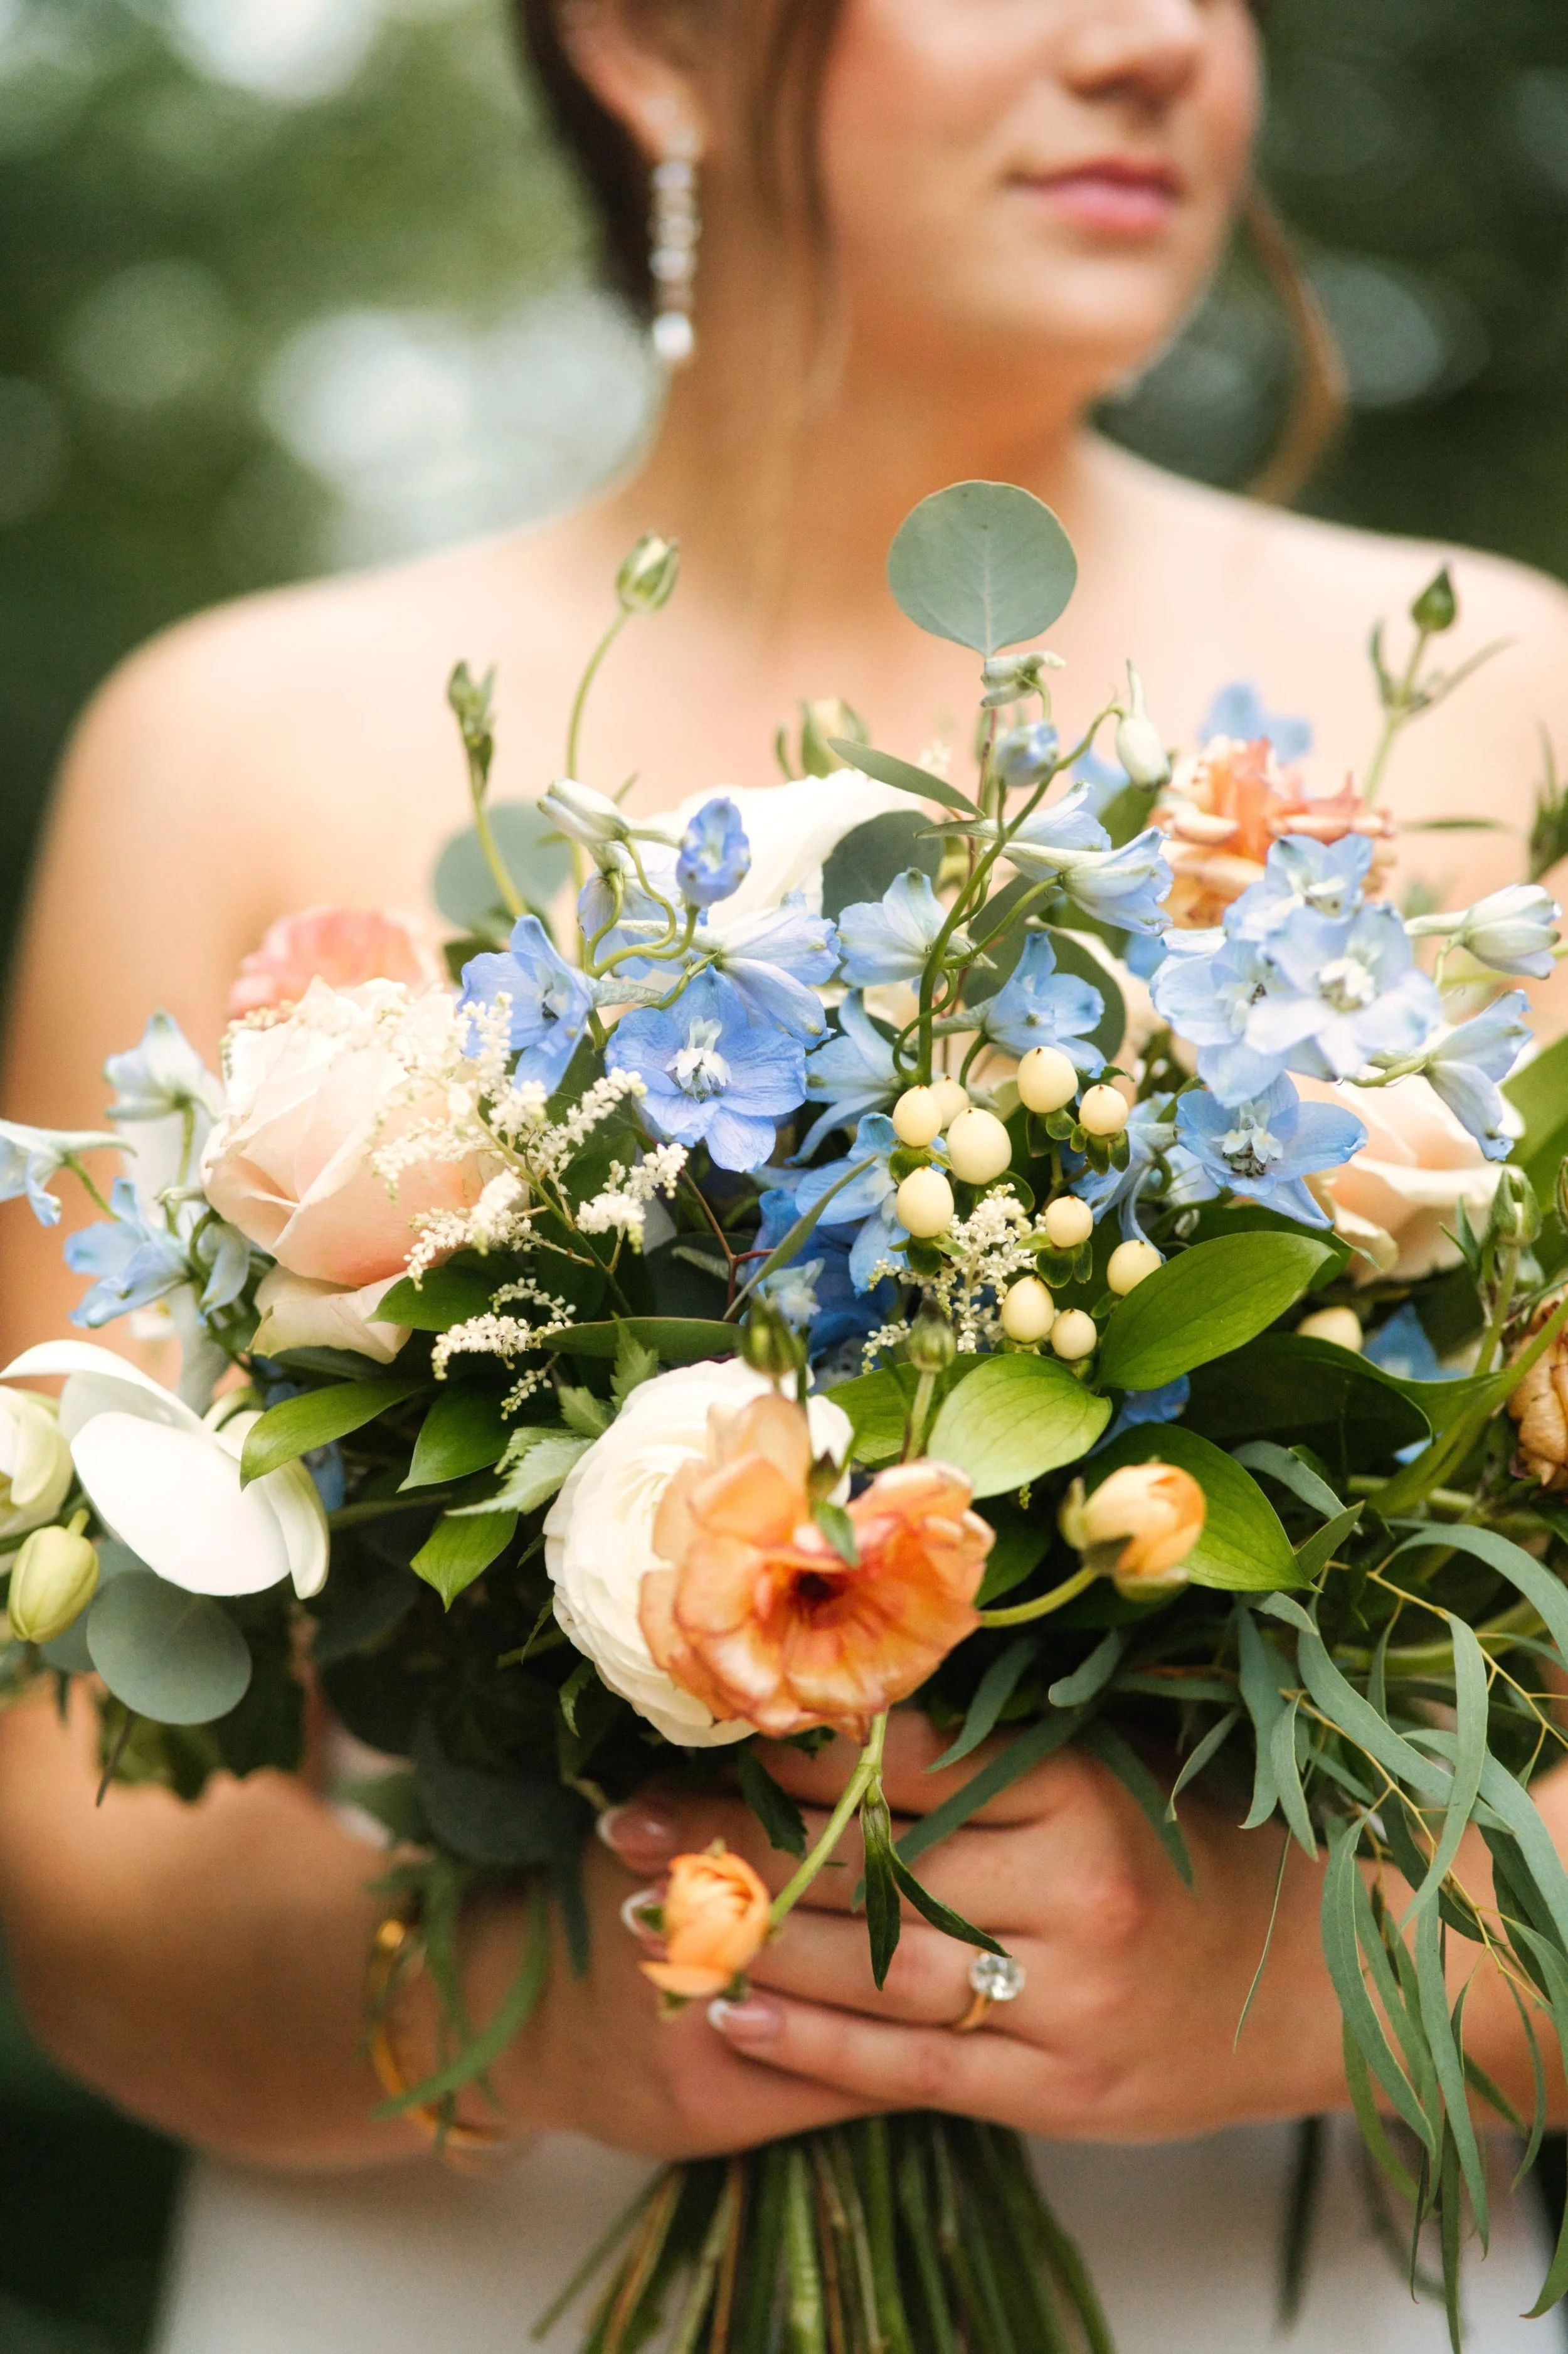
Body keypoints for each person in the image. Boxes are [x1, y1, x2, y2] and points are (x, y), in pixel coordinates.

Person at [1, 3, 1566, 2347]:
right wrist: (542, 2002)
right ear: (640, 38)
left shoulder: (1492, 706)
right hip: (455, 2275)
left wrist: (1263, 1981)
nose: (1157, 41)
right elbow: (76, 1851)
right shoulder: (229, 741)